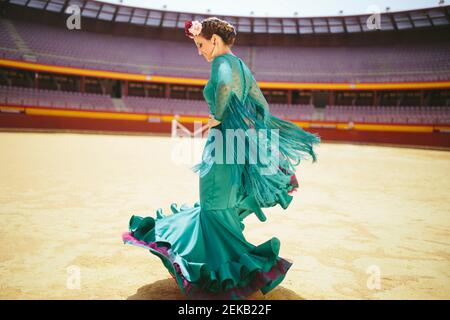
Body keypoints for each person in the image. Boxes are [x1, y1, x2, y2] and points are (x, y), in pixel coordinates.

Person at [122, 17, 321, 300]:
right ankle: (219, 269)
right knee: (220, 207)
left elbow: (224, 87)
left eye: (201, 44)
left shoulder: (222, 64)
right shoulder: (243, 66)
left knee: (212, 207)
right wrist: (251, 134)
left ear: (214, 41)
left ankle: (218, 274)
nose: (199, 51)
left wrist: (217, 116)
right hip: (237, 145)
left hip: (221, 144)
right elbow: (262, 106)